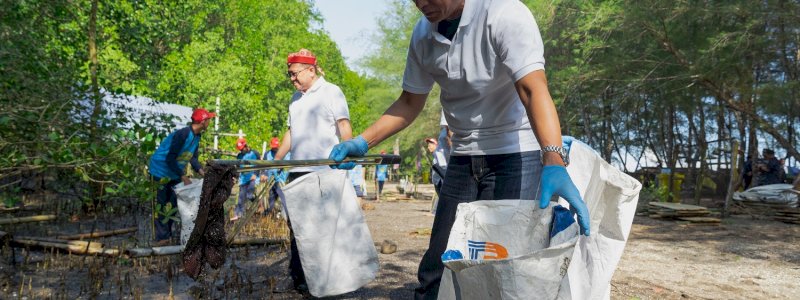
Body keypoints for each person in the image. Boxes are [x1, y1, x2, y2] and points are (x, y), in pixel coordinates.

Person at [327, 1, 590, 298]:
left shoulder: (502, 13)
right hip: (463, 154)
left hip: (515, 152)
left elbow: (533, 89)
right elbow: (410, 102)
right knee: (440, 265)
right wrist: (362, 142)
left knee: (502, 261)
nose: (421, 3)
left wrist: (553, 157)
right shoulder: (423, 35)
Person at [272, 48, 354, 292]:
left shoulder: (331, 92)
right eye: (289, 75)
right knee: (297, 227)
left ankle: (330, 280)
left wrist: (346, 153)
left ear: (310, 70)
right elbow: (291, 133)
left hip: (323, 172)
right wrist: (277, 160)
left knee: (323, 228)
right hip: (297, 171)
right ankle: (300, 278)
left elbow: (344, 125)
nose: (292, 79)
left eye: (295, 74)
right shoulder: (295, 100)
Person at [148, 108, 214, 246]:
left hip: (174, 171)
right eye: (208, 120)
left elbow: (193, 158)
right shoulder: (182, 134)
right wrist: (183, 176)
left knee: (173, 203)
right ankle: (161, 238)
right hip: (160, 170)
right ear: (202, 122)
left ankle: (167, 236)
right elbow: (170, 158)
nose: (210, 122)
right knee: (161, 204)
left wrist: (202, 172)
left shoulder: (197, 136)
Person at [231, 137, 260, 222]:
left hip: (253, 178)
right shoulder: (239, 156)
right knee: (241, 198)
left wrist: (255, 174)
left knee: (249, 195)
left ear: (246, 146)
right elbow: (238, 167)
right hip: (243, 179)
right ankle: (239, 215)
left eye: (242, 149)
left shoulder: (255, 153)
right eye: (240, 149)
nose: (241, 151)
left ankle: (258, 202)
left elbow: (260, 165)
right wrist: (236, 177)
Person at [260, 137, 288, 216]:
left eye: (276, 147)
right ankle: (267, 214)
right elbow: (264, 166)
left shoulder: (283, 153)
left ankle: (286, 214)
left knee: (283, 197)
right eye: (273, 147)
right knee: (271, 198)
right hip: (270, 180)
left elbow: (286, 165)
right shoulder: (267, 154)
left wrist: (281, 167)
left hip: (280, 179)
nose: (274, 149)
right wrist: (263, 174)